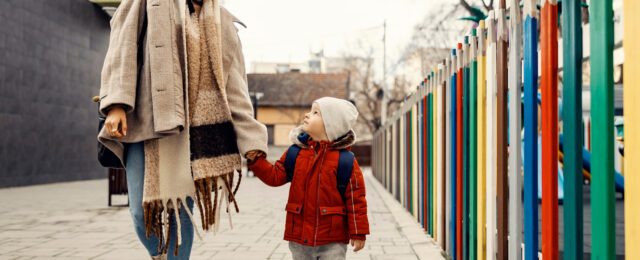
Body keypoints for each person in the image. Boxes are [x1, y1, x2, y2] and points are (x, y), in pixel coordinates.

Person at [97, 0, 267, 259]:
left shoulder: (222, 22)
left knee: (181, 209)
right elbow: (121, 51)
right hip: (145, 121)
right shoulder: (144, 3)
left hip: (192, 132)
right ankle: (159, 255)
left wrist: (252, 141)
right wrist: (116, 104)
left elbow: (234, 89)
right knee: (140, 213)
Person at [245, 97, 370, 260]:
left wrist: (358, 232)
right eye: (310, 110)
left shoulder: (345, 160)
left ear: (331, 124)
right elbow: (275, 176)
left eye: (315, 112)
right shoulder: (295, 152)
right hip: (300, 237)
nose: (307, 115)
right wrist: (256, 160)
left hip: (332, 240)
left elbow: (356, 199)